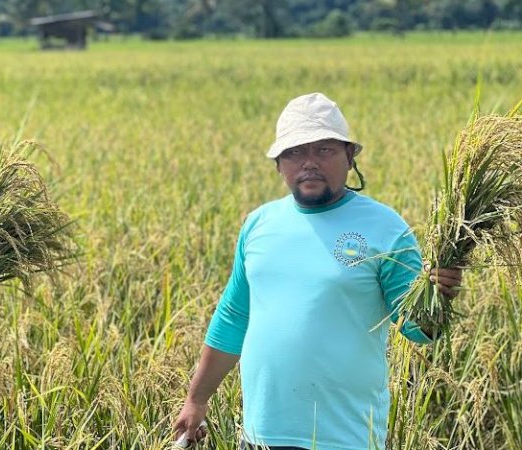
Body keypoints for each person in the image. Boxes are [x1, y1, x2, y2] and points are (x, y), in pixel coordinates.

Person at [172, 93, 463, 450]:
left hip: (345, 436)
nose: (309, 163)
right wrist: (197, 399)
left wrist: (438, 296)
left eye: (324, 150)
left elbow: (418, 330)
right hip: (261, 434)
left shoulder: (386, 229)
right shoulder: (259, 225)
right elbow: (234, 318)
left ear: (349, 156)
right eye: (295, 152)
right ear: (279, 163)